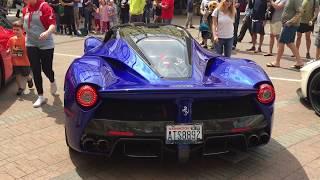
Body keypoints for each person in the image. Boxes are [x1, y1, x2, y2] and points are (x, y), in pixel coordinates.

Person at [22, 0, 57, 107]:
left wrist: (47, 32)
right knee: (35, 70)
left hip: (45, 43)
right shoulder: (25, 9)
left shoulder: (44, 6)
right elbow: (25, 25)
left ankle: (52, 80)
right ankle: (40, 96)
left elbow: (53, 25)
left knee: (46, 69)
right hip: (31, 43)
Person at [267, 0, 304, 69]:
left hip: (290, 25)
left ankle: (277, 62)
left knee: (281, 42)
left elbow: (300, 12)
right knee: (290, 43)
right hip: (288, 25)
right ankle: (299, 62)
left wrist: (290, 21)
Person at [6, 20, 33, 96]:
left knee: (26, 75)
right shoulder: (11, 39)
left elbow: (29, 49)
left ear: (23, 30)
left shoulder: (25, 39)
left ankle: (29, 79)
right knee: (17, 75)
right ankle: (20, 88)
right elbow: (9, 47)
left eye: (17, 30)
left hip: (25, 62)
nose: (15, 31)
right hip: (15, 62)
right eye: (14, 29)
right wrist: (8, 50)